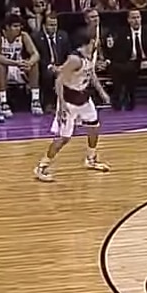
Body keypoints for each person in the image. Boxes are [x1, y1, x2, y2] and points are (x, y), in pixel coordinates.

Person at [36, 32, 111, 181]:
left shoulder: (91, 55)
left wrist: (102, 92)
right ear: (91, 41)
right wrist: (62, 105)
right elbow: (59, 81)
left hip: (84, 97)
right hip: (69, 100)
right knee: (64, 138)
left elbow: (91, 74)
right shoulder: (75, 60)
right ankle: (42, 166)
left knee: (94, 127)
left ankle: (91, 159)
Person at [0, 14, 43, 117]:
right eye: (15, 26)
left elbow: (36, 54)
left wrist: (29, 63)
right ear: (7, 27)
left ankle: (35, 100)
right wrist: (14, 63)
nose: (18, 29)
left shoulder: (23, 35)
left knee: (34, 65)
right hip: (3, 69)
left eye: (19, 26)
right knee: (2, 66)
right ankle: (3, 102)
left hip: (18, 68)